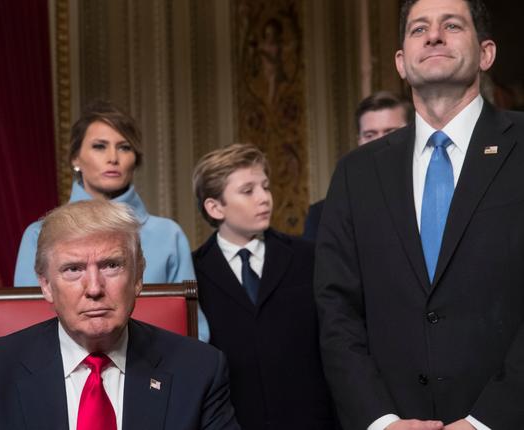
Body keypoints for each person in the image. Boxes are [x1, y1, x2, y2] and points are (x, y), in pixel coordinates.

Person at [315, 0, 524, 429]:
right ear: (401, 63)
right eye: (418, 29)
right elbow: (337, 310)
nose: (433, 35)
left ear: (486, 52)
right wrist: (382, 420)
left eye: (451, 24)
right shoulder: (356, 172)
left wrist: (487, 421)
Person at [0, 200, 240, 429]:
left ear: (138, 277)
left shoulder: (200, 370)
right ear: (46, 285)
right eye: (73, 269)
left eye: (111, 265)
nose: (94, 288)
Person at [14, 100, 210, 341]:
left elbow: (192, 328)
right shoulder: (38, 235)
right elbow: (24, 320)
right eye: (99, 146)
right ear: (76, 158)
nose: (113, 158)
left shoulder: (168, 235)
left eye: (124, 147)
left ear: (135, 159)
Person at [191, 144, 337, 429]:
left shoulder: (307, 257)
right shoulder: (195, 272)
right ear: (215, 206)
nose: (264, 198)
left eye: (265, 187)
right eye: (248, 191)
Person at [303, 91, 413, 241]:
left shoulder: (430, 200)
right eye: (370, 135)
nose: (380, 143)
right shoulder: (322, 215)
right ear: (359, 141)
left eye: (390, 132)